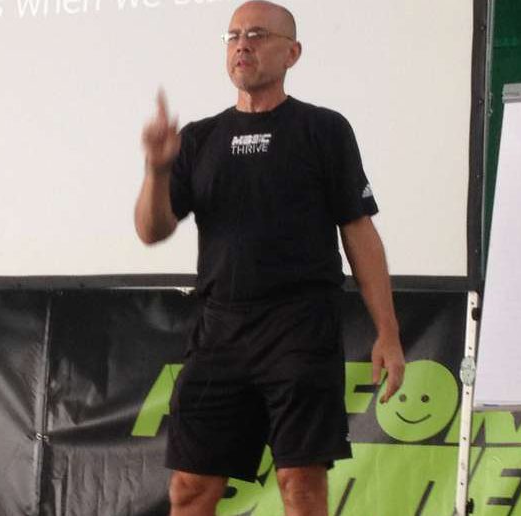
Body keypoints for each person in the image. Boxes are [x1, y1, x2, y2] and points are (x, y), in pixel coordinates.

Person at [133, 2, 406, 515]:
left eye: (257, 35)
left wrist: (387, 333)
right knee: (190, 488)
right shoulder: (198, 139)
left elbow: (359, 233)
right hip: (219, 331)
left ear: (292, 53)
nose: (242, 44)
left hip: (300, 330)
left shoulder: (324, 129)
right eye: (234, 35)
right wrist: (157, 169)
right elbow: (152, 230)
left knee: (300, 485)